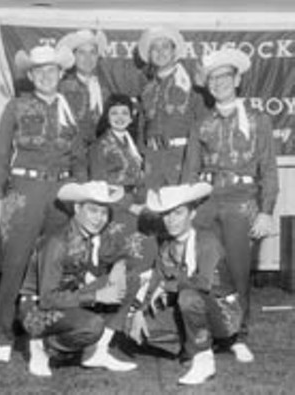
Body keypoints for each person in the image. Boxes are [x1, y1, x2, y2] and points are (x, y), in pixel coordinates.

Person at [0, 44, 87, 363]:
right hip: (26, 190)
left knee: (53, 265)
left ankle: (46, 331)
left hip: (60, 193)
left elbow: (79, 156)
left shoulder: (70, 108)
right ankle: (4, 334)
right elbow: (3, 149)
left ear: (61, 74)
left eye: (52, 70)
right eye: (40, 71)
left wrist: (79, 191)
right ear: (31, 75)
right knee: (16, 263)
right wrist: (2, 189)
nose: (47, 76)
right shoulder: (16, 106)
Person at [185, 47, 279, 362]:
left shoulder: (258, 120)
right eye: (213, 78)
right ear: (208, 84)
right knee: (208, 269)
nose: (219, 83)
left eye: (225, 76)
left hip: (243, 203)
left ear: (237, 80)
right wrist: (188, 207)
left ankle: (239, 334)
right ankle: (210, 331)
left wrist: (266, 211)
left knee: (238, 271)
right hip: (209, 202)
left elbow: (268, 168)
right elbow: (190, 170)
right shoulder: (201, 122)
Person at [128, 182, 243, 385]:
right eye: (166, 214)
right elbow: (156, 279)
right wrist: (139, 310)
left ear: (191, 214)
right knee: (135, 327)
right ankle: (191, 344)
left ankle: (203, 358)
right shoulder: (167, 246)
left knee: (188, 297)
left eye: (178, 213)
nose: (171, 220)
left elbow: (203, 284)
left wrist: (168, 286)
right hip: (190, 309)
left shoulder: (207, 240)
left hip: (223, 314)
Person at [20, 180, 138, 376]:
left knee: (129, 278)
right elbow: (48, 298)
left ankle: (96, 353)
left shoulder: (89, 235)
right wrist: (96, 296)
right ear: (77, 208)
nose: (99, 218)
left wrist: (119, 265)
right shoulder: (57, 242)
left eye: (103, 212)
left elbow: (121, 258)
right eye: (93, 211)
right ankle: (42, 347)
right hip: (36, 310)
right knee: (92, 326)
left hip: (66, 299)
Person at [57, 29, 146, 168]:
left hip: (103, 159)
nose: (88, 58)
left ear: (98, 56)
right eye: (82, 53)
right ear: (73, 56)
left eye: (92, 52)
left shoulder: (105, 86)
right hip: (72, 159)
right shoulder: (62, 88)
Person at [137, 26, 206, 187]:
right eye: (155, 48)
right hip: (152, 162)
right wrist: (145, 155)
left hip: (182, 161)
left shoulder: (191, 85)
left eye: (165, 47)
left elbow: (204, 126)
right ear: (149, 55)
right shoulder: (147, 90)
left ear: (174, 52)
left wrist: (196, 165)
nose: (160, 52)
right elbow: (142, 128)